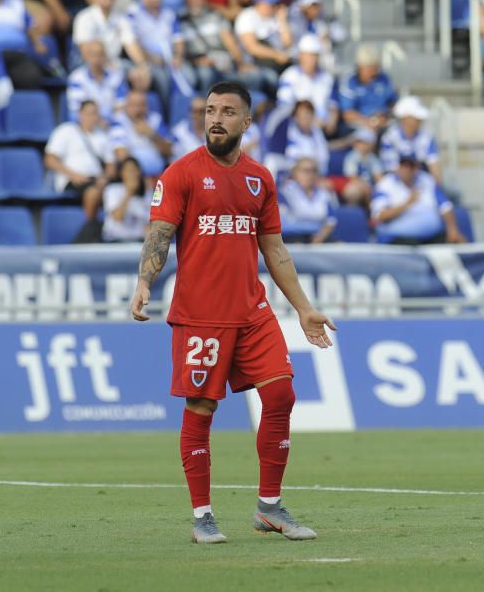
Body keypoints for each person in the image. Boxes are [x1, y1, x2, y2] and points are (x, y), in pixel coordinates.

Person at [129, 80, 333, 545]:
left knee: (281, 397)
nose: (215, 119)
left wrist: (303, 309)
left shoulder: (260, 178)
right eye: (209, 110)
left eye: (226, 111)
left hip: (253, 312)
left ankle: (269, 508)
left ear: (246, 121)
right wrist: (145, 282)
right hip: (201, 315)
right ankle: (202, 514)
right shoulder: (180, 174)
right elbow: (159, 233)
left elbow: (275, 250)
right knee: (201, 407)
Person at [371, 153, 466, 245]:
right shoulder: (385, 184)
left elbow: (445, 206)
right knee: (411, 246)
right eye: (404, 166)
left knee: (452, 242)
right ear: (398, 167)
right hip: (398, 237)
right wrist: (407, 203)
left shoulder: (427, 180)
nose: (407, 170)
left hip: (431, 236)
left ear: (417, 168)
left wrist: (452, 230)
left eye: (411, 166)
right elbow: (379, 216)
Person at [45, 99, 114, 220]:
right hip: (71, 180)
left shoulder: (102, 136)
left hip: (96, 180)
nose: (92, 117)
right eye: (89, 113)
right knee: (93, 191)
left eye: (95, 113)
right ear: (80, 114)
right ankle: (90, 228)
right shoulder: (66, 130)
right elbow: (50, 159)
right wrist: (73, 175)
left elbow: (111, 166)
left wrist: (105, 178)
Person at [178, 0, 252, 93]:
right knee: (205, 73)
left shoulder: (215, 16)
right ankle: (205, 107)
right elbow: (178, 52)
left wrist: (241, 64)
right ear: (185, 0)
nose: (195, 2)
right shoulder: (179, 20)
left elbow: (230, 43)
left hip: (221, 61)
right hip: (196, 64)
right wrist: (197, 61)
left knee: (257, 77)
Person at [125, 0, 184, 109]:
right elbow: (132, 43)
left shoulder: (169, 13)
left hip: (170, 59)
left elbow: (178, 39)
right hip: (148, 60)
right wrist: (150, 59)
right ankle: (167, 116)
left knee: (191, 76)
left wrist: (178, 56)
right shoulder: (133, 13)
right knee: (162, 78)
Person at [72, 0, 146, 69]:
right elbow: (85, 49)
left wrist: (142, 66)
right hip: (86, 63)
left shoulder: (121, 18)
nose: (102, 0)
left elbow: (131, 44)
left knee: (141, 73)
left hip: (114, 63)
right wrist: (105, 64)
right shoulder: (84, 17)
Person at [234, 0, 293, 95]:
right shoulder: (247, 16)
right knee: (272, 78)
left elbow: (287, 43)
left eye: (275, 4)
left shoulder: (275, 18)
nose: (274, 7)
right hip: (254, 64)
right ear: (259, 3)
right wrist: (276, 55)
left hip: (277, 63)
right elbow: (252, 48)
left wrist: (283, 21)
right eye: (270, 4)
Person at [275, 34, 338, 135]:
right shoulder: (289, 76)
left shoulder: (327, 78)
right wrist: (308, 122)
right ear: (301, 55)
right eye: (308, 55)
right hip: (296, 129)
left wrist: (331, 123)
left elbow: (333, 105)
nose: (311, 59)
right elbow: (284, 106)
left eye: (314, 55)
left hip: (323, 129)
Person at [337, 45, 398, 137]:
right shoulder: (349, 80)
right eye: (369, 68)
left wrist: (386, 116)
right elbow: (347, 114)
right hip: (358, 124)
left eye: (375, 68)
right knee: (367, 135)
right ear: (360, 67)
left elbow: (393, 103)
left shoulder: (384, 78)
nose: (373, 72)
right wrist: (368, 122)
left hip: (383, 122)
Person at [380, 96, 443, 183]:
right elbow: (392, 169)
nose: (420, 121)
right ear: (406, 118)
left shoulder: (427, 136)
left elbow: (434, 165)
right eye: (416, 118)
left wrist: (435, 184)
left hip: (422, 180)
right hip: (396, 183)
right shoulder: (390, 137)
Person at [109, 89, 172, 176]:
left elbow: (168, 151)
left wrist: (152, 135)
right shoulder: (119, 122)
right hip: (136, 176)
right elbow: (121, 155)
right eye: (133, 105)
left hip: (160, 174)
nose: (138, 109)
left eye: (142, 105)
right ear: (126, 106)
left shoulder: (156, 119)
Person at [265, 98, 330, 177]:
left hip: (313, 172)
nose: (305, 118)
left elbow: (324, 159)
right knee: (271, 161)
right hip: (292, 170)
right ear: (295, 117)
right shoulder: (289, 130)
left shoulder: (317, 132)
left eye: (308, 114)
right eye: (302, 115)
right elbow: (291, 156)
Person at [279, 156, 337, 244]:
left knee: (340, 247)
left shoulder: (324, 193)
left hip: (318, 236)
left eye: (314, 171)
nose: (310, 175)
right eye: (305, 171)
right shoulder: (285, 191)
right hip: (291, 236)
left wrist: (318, 239)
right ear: (295, 173)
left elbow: (331, 221)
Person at [67, 40, 128, 123]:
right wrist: (98, 120)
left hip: (112, 124)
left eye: (100, 54)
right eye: (92, 54)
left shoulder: (117, 76)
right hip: (86, 125)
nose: (96, 58)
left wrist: (108, 120)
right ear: (86, 56)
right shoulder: (76, 78)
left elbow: (122, 105)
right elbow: (77, 108)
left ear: (105, 56)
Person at [103, 156, 150, 242]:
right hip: (115, 241)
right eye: (128, 170)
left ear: (139, 172)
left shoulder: (148, 194)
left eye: (134, 170)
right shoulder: (112, 190)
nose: (131, 174)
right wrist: (129, 193)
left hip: (139, 241)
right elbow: (117, 217)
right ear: (122, 173)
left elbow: (150, 223)